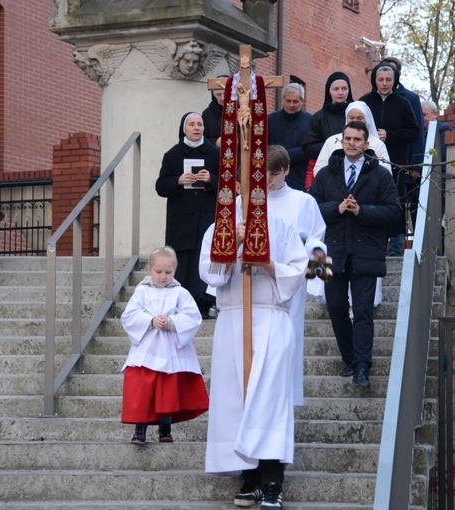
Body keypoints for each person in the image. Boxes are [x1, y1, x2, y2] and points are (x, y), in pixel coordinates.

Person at [199, 206, 307, 508]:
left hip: (270, 317)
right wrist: (232, 244)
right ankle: (250, 477)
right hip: (233, 318)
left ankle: (273, 481)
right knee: (236, 399)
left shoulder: (282, 224)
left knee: (268, 400)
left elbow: (298, 269)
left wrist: (268, 263)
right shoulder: (220, 224)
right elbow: (208, 272)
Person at [309, 121, 402, 388]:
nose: (351, 143)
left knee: (362, 311)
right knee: (335, 307)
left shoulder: (380, 174)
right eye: (347, 139)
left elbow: (393, 213)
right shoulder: (326, 173)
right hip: (327, 252)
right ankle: (349, 359)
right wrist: (336, 208)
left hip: (366, 250)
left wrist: (363, 211)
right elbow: (310, 208)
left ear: (366, 143)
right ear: (341, 142)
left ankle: (362, 366)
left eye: (356, 139)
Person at [250, 145, 327, 407]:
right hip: (254, 281)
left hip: (289, 283)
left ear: (287, 170)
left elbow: (316, 239)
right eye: (262, 174)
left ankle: (284, 401)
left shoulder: (303, 202)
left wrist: (317, 262)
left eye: (273, 174)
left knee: (286, 343)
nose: (267, 180)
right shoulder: (246, 201)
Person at [120, 246, 209, 445]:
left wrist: (171, 322)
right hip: (147, 348)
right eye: (158, 272)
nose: (163, 276)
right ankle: (140, 428)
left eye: (168, 272)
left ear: (174, 270)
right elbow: (130, 315)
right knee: (142, 389)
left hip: (171, 349)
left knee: (168, 390)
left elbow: (192, 317)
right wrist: (150, 321)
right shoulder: (141, 291)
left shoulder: (181, 293)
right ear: (150, 269)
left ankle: (165, 428)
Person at [155, 112, 219, 317]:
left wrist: (211, 179)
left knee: (204, 262)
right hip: (181, 220)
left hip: (207, 218)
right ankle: (180, 306)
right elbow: (160, 186)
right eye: (192, 124)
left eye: (200, 124)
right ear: (184, 128)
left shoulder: (215, 154)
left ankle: (205, 305)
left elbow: (228, 185)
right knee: (181, 264)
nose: (196, 128)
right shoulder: (172, 155)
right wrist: (178, 181)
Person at [358, 62, 419, 256]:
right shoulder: (365, 101)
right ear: (374, 80)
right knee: (373, 200)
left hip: (396, 162)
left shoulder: (403, 102)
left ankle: (395, 246)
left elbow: (413, 132)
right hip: (369, 160)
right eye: (381, 80)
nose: (384, 84)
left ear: (395, 80)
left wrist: (390, 135)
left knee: (395, 201)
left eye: (388, 80)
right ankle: (377, 243)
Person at [301, 72, 354, 189]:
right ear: (329, 91)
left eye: (344, 88)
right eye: (336, 89)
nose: (340, 93)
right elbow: (308, 148)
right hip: (326, 169)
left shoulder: (356, 114)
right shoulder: (319, 118)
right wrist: (332, 145)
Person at [313, 100, 390, 177]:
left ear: (367, 120)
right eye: (351, 118)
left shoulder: (378, 144)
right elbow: (319, 169)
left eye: (359, 118)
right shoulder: (332, 141)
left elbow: (386, 173)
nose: (355, 121)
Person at [267, 83, 313, 191]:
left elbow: (310, 148)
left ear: (302, 101)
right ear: (283, 100)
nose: (291, 105)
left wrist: (285, 155)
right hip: (274, 174)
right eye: (288, 101)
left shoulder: (311, 121)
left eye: (295, 101)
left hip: (299, 176)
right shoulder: (270, 120)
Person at [202, 74, 229, 146]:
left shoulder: (242, 110)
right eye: (219, 95)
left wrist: (237, 139)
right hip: (215, 154)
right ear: (213, 95)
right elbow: (200, 139)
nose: (223, 98)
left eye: (225, 94)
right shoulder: (207, 114)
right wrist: (215, 142)